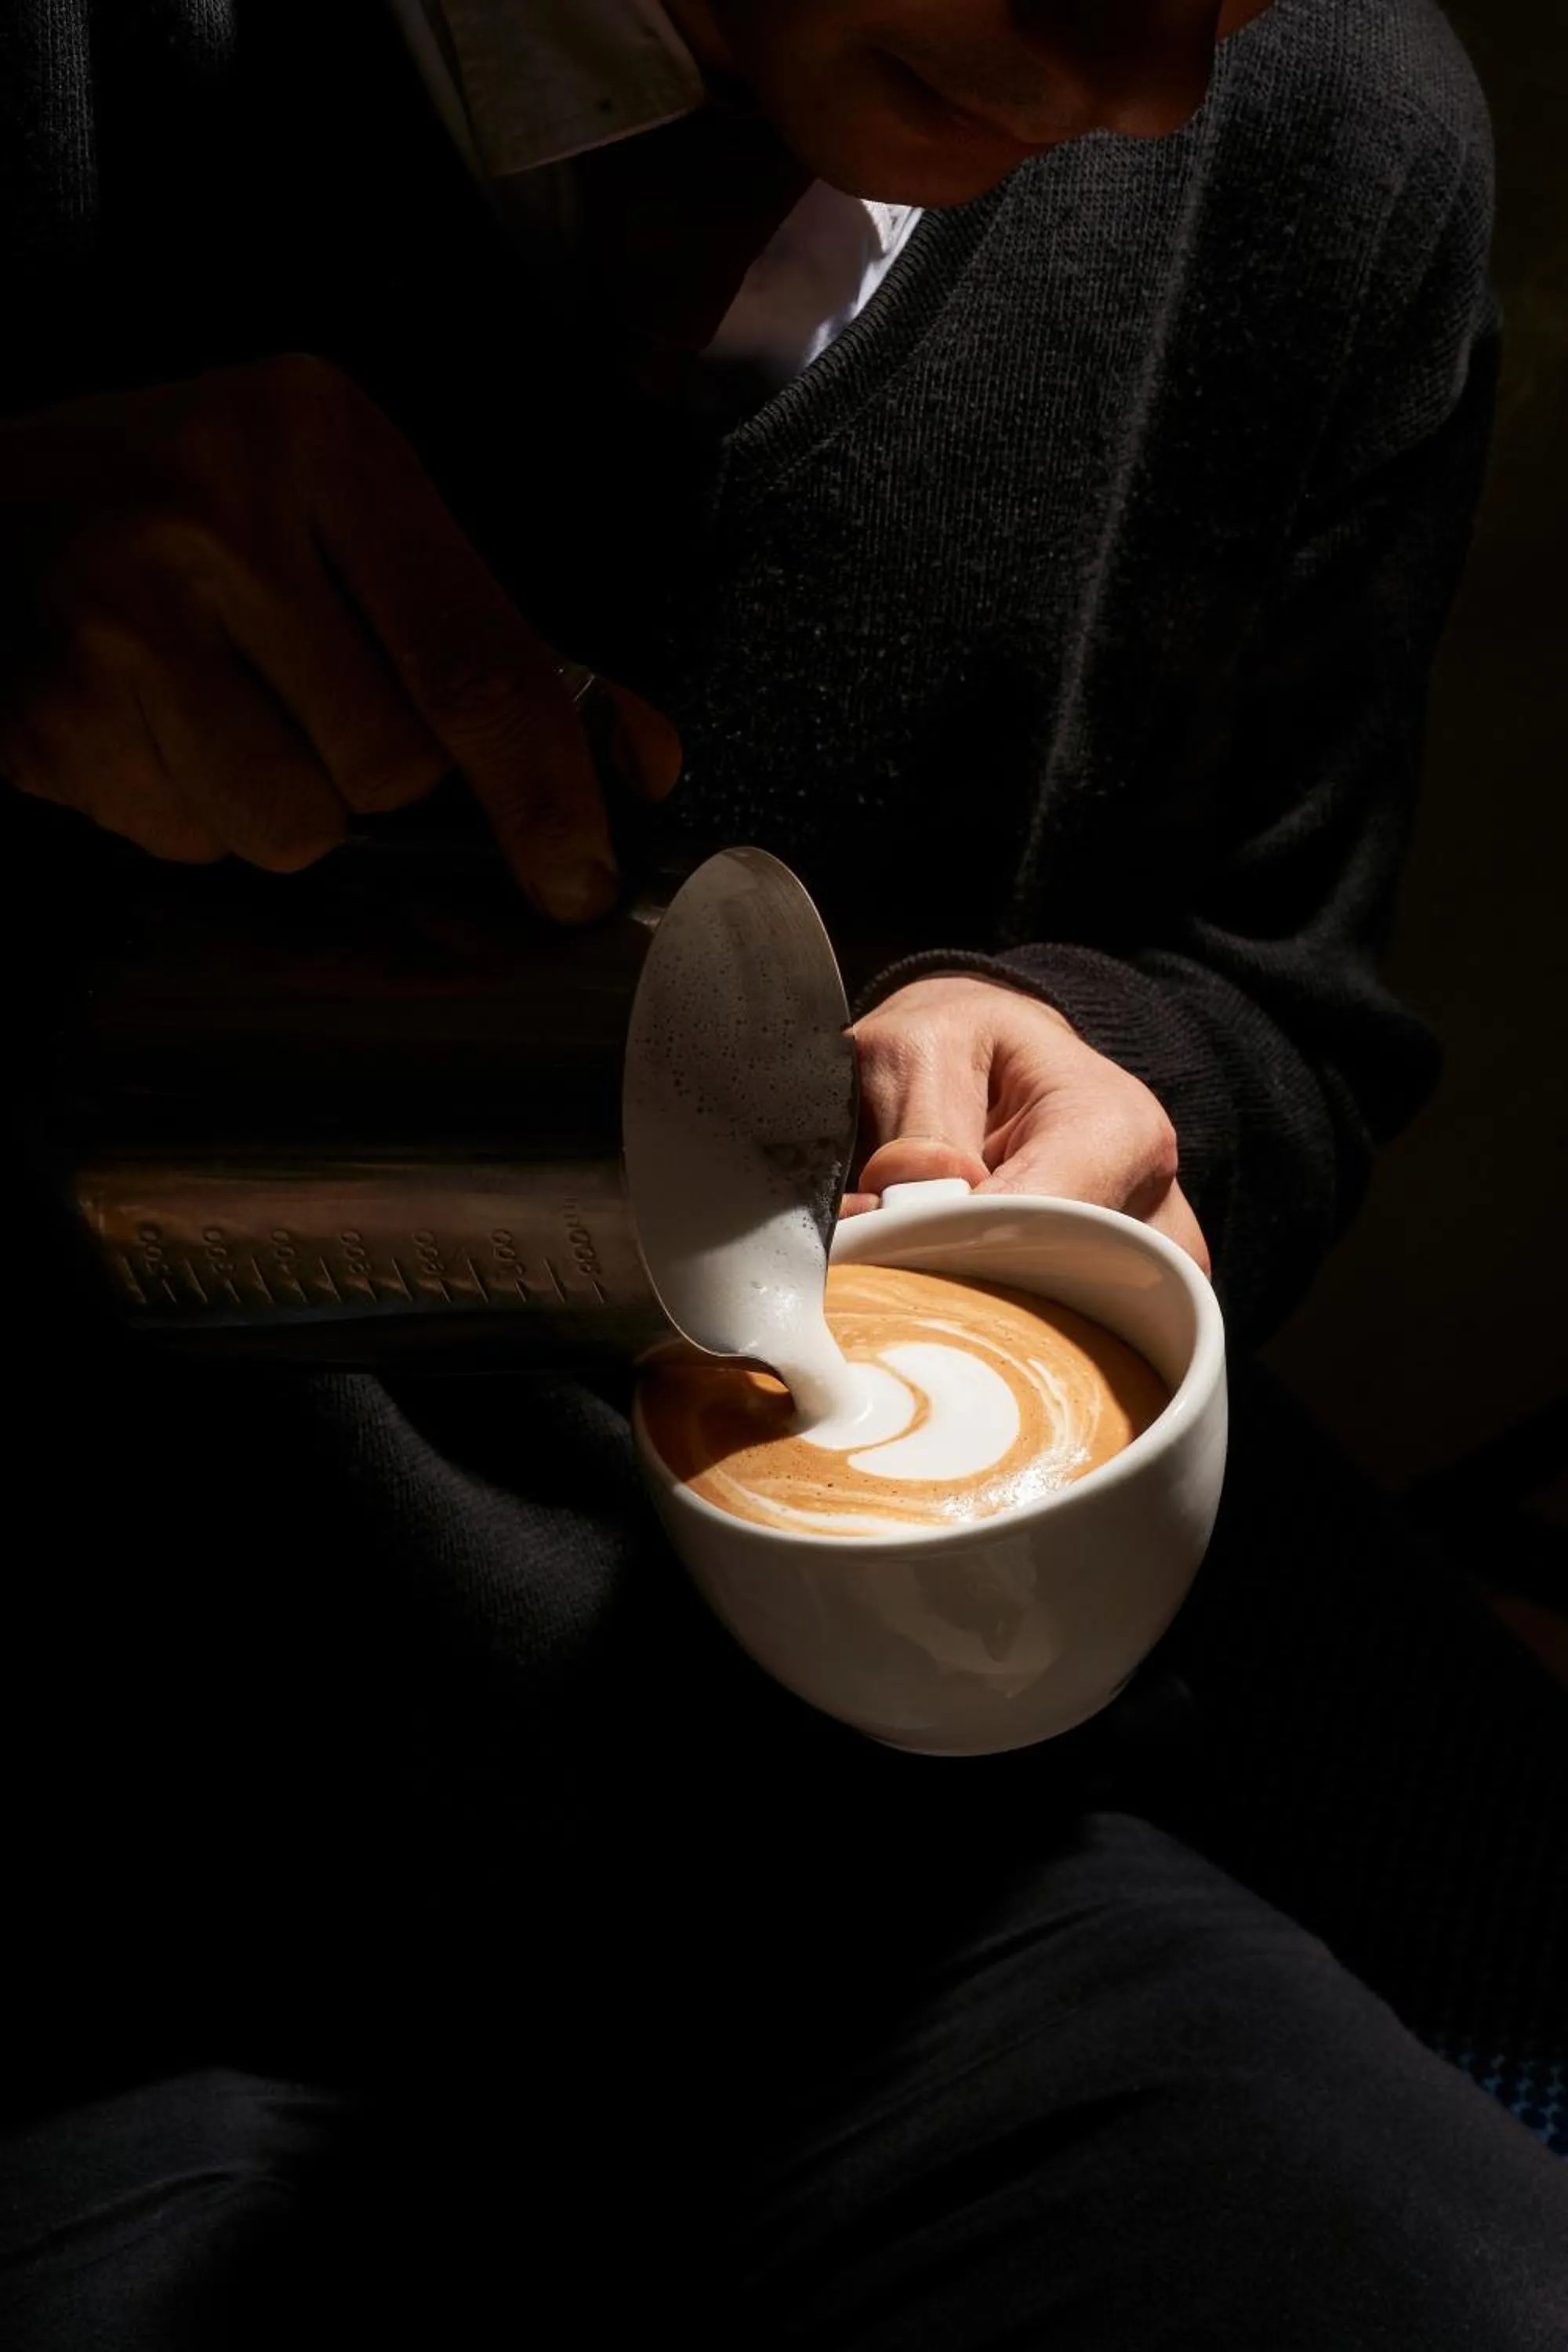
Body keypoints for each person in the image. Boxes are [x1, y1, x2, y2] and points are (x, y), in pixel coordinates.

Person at [1, 2, 1565, 2345]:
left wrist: (1112, 1060)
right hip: (97, 1921)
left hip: (895, 1888)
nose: (1157, 86)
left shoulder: (1331, 138)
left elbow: (1284, 996)